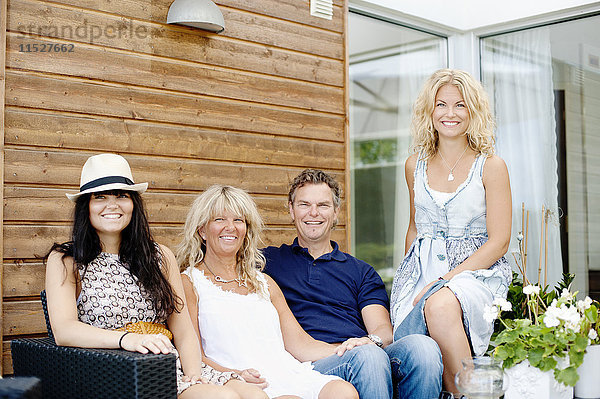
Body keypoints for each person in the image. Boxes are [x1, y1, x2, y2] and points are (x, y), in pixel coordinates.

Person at [45, 153, 265, 399]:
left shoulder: (159, 256)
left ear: (133, 204)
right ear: (86, 205)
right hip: (119, 370)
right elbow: (64, 330)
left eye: (121, 195)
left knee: (254, 395)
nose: (112, 205)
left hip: (171, 366)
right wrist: (125, 339)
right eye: (100, 197)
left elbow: (182, 329)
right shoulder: (66, 259)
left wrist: (193, 375)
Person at [263, 169, 442, 399]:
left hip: (362, 353)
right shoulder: (267, 262)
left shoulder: (361, 271)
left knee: (423, 348)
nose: (313, 213)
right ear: (291, 209)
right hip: (311, 364)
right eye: (304, 204)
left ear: (336, 212)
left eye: (323, 205)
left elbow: (382, 330)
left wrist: (368, 342)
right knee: (368, 356)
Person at [390, 69, 512, 396]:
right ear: (429, 111)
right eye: (441, 104)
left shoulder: (491, 165)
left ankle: (471, 394)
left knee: (440, 305)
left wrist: (444, 281)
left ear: (473, 111)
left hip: (477, 271)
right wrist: (410, 278)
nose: (450, 113)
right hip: (421, 269)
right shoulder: (412, 164)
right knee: (418, 344)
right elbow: (414, 228)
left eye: (460, 105)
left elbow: (499, 241)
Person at [177, 184, 358, 399]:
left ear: (246, 230)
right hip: (240, 381)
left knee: (343, 392)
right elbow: (195, 355)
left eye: (238, 220)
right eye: (219, 219)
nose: (230, 227)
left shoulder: (265, 282)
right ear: (202, 231)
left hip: (287, 373)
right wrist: (235, 374)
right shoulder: (190, 283)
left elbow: (299, 344)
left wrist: (350, 346)